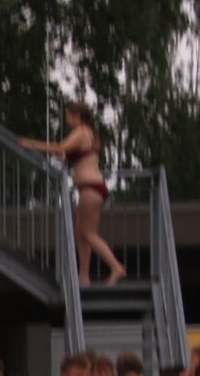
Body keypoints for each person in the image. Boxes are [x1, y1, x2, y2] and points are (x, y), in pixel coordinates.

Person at [20, 103, 125, 285]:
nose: (67, 119)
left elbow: (59, 147)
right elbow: (71, 153)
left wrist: (30, 144)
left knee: (88, 233)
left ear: (77, 116)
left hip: (91, 188)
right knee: (82, 233)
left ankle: (116, 267)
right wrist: (63, 155)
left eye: (68, 115)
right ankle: (83, 276)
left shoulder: (82, 131)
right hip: (94, 187)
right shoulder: (90, 133)